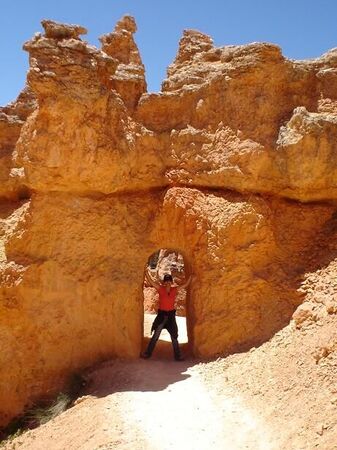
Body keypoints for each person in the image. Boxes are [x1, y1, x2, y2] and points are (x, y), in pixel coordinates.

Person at [141, 270, 191, 361]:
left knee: (174, 336)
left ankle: (178, 356)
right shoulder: (161, 289)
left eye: (169, 281)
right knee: (156, 335)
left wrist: (191, 278)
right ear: (164, 282)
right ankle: (147, 353)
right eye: (166, 281)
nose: (168, 283)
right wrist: (146, 272)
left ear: (171, 282)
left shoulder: (174, 290)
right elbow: (151, 282)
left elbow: (185, 285)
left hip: (171, 316)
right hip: (162, 316)